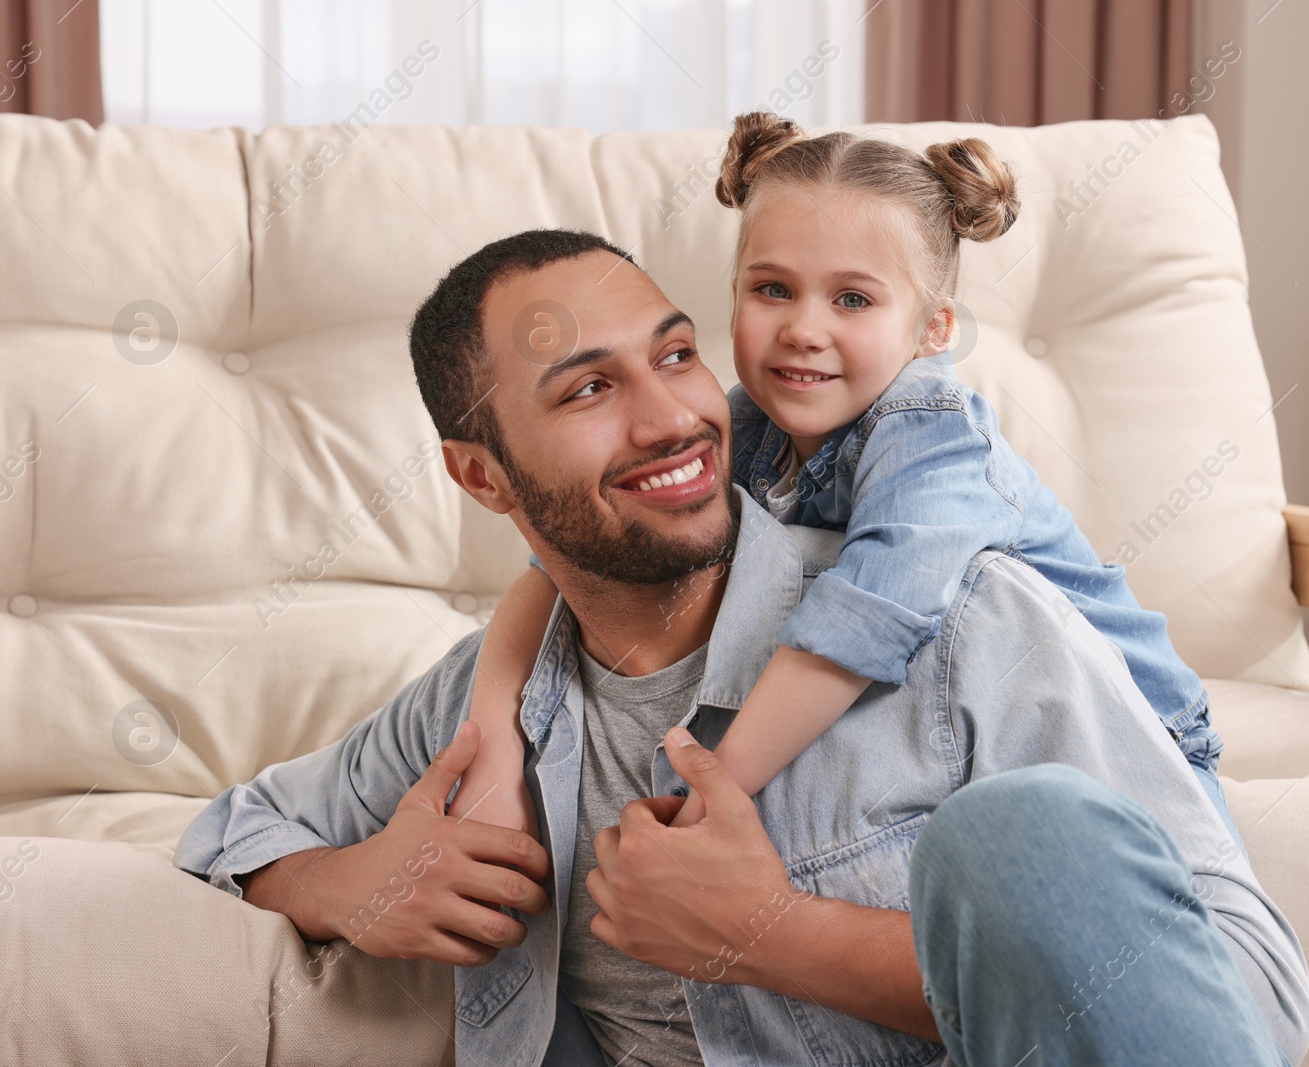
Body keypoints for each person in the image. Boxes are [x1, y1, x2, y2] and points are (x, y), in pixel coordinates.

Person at [174, 227, 1309, 1067]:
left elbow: (1242, 1002)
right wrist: (349, 884)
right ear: (483, 475)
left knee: (1020, 833)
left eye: (675, 357)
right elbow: (231, 831)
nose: (672, 417)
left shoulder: (962, 618)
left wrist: (774, 936)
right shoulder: (481, 720)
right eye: (588, 389)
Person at [449, 113, 1240, 852]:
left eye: (853, 299)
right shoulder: (748, 424)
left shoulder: (933, 433)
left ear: (933, 329)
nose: (803, 327)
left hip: (1135, 743)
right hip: (961, 751)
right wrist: (491, 738)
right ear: (733, 298)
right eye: (772, 289)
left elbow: (863, 622)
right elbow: (556, 562)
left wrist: (712, 796)